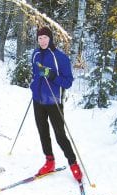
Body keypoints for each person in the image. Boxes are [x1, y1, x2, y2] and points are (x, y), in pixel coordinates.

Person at [30, 26, 83, 181]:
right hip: (38, 100)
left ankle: (73, 164)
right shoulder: (35, 54)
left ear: (50, 38)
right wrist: (33, 85)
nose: (42, 41)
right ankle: (49, 161)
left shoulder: (60, 57)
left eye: (45, 38)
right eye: (40, 38)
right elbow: (35, 73)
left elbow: (68, 82)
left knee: (60, 135)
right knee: (43, 132)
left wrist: (52, 75)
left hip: (54, 100)